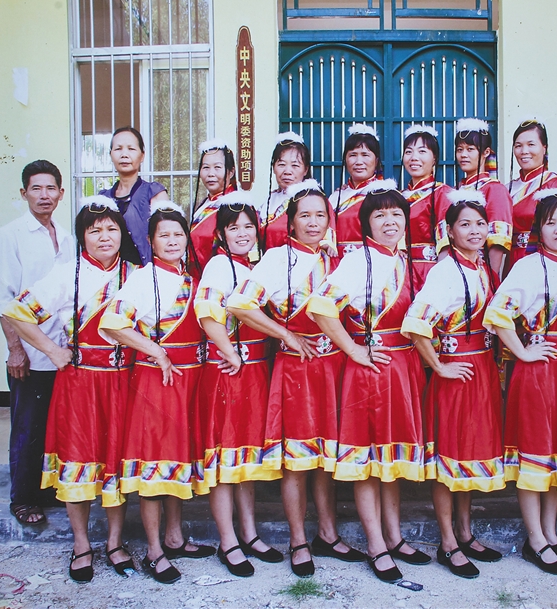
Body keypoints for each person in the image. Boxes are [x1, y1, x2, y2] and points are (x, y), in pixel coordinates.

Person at [228, 180, 364, 578]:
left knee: (325, 457)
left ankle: (328, 534)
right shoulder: (276, 258)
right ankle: (298, 540)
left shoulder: (338, 260)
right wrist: (285, 334)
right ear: (290, 222)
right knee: (296, 460)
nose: (313, 222)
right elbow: (240, 304)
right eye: (305, 215)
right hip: (297, 368)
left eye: (321, 215)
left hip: (335, 366)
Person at [3, 197, 137, 582]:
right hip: (79, 384)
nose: (104, 236)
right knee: (78, 463)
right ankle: (81, 545)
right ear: (82, 237)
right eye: (94, 231)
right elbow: (16, 312)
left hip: (122, 382)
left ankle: (115, 542)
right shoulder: (67, 275)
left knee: (114, 463)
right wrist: (52, 350)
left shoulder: (135, 275)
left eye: (111, 228)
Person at [308, 181, 430, 583]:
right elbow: (320, 306)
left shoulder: (403, 260)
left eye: (396, 214)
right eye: (380, 215)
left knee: (388, 459)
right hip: (371, 370)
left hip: (403, 367)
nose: (389, 221)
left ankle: (394, 537)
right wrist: (352, 349)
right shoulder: (359, 260)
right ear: (366, 224)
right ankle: (376, 545)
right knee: (367, 461)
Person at [484, 189, 557, 576]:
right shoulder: (529, 266)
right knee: (536, 453)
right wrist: (522, 351)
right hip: (539, 371)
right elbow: (497, 314)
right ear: (539, 230)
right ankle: (534, 538)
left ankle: (551, 532)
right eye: (551, 223)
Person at [99, 201, 213, 584]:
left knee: (176, 462)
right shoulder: (144, 278)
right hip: (158, 383)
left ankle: (174, 537)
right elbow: (112, 322)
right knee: (154, 465)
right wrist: (156, 350)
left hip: (189, 381)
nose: (172, 241)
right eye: (164, 235)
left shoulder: (190, 277)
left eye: (178, 234)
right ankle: (153, 550)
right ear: (150, 241)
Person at [403, 188, 504, 580]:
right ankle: (447, 542)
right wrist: (439, 367)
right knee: (449, 457)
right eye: (465, 224)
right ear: (449, 231)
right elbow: (417, 324)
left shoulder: (480, 266)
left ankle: (465, 532)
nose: (474, 230)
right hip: (457, 373)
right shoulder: (446, 270)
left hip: (481, 370)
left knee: (468, 454)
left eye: (480, 223)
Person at [194, 191, 283, 577]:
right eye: (234, 228)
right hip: (229, 372)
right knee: (225, 458)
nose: (243, 233)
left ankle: (249, 533)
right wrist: (229, 352)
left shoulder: (255, 265)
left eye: (249, 226)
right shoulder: (219, 264)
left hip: (255, 371)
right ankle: (228, 540)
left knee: (246, 459)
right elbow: (206, 312)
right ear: (221, 234)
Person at [0, 159, 76, 526]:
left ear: (61, 193)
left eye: (50, 189)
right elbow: (5, 301)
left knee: (54, 425)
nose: (44, 195)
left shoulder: (68, 237)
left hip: (62, 350)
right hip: (29, 351)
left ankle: (46, 490)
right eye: (36, 188)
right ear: (24, 193)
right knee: (27, 426)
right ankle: (23, 498)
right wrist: (15, 349)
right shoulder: (11, 235)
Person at [448, 118, 512, 278]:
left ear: (486, 152)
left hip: (480, 270)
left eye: (470, 149)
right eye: (459, 149)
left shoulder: (494, 189)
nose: (463, 155)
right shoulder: (455, 189)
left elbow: (497, 241)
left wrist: (489, 278)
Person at [506, 120, 557, 269]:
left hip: (544, 261)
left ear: (544, 148)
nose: (524, 151)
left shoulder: (555, 184)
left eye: (531, 144)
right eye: (518, 146)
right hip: (513, 261)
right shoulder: (507, 188)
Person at [99, 127, 169, 265]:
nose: (124, 154)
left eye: (131, 149)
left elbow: (167, 237)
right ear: (110, 155)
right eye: (118, 149)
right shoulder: (103, 199)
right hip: (110, 273)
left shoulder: (154, 193)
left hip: (146, 272)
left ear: (142, 156)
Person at [400, 124, 452, 292]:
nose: (414, 157)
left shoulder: (442, 193)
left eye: (422, 151)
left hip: (428, 270)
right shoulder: (398, 196)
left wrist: (441, 279)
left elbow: (446, 243)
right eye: (408, 152)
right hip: (399, 272)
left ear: (434, 158)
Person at [329, 124, 383, 257]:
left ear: (376, 160)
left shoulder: (384, 194)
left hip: (372, 260)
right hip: (337, 262)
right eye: (353, 155)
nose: (359, 161)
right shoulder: (336, 197)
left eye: (365, 155)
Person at [189, 139, 238, 272]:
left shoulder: (237, 205)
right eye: (206, 167)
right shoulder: (205, 203)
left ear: (231, 172)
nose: (211, 174)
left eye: (217, 167)